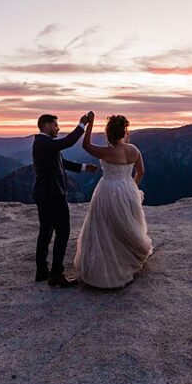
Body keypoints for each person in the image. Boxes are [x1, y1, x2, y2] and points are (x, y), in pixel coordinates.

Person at [73, 114, 153, 288]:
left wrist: (90, 123)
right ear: (124, 132)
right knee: (126, 225)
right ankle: (129, 257)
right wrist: (131, 186)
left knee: (105, 227)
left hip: (108, 190)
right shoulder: (134, 150)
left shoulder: (107, 152)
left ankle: (107, 267)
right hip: (128, 190)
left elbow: (85, 145)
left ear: (109, 133)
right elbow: (141, 172)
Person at [31, 111, 98, 288]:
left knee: (45, 231)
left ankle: (42, 271)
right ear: (46, 126)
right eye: (55, 125)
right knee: (63, 231)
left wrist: (84, 167)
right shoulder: (44, 143)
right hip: (53, 195)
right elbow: (68, 142)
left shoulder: (44, 144)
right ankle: (56, 274)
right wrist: (82, 124)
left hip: (43, 194)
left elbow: (62, 162)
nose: (58, 128)